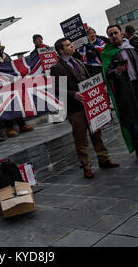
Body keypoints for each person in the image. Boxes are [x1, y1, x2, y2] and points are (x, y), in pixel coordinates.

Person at [50, 38, 119, 179]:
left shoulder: (79, 62)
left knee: (97, 133)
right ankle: (86, 166)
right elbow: (56, 89)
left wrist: (100, 88)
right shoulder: (57, 68)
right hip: (75, 109)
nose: (72, 46)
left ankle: (104, 159)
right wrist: (73, 94)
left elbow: (89, 81)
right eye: (68, 45)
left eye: (71, 44)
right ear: (61, 50)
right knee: (81, 139)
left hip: (90, 105)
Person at [103, 25, 138, 161]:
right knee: (133, 120)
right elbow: (107, 74)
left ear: (121, 34)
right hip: (124, 91)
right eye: (110, 35)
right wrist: (117, 70)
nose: (114, 36)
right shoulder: (107, 53)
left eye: (115, 33)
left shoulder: (131, 48)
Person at [0, 37, 34, 137]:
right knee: (6, 106)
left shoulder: (6, 55)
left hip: (11, 83)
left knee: (17, 103)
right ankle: (9, 128)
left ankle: (22, 125)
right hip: (0, 84)